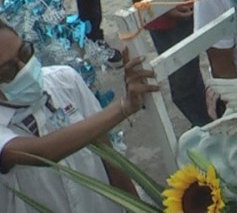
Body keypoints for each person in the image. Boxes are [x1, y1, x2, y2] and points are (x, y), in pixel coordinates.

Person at [0, 19, 158, 213]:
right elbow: (42, 153)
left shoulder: (65, 80)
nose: (24, 68)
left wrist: (136, 207)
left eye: (25, 52)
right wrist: (124, 106)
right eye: (8, 70)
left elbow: (108, 154)